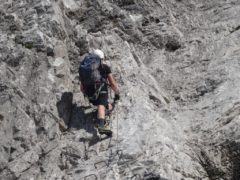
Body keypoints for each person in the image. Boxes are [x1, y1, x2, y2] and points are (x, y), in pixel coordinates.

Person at [80, 49, 120, 133]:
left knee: (106, 105)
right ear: (101, 59)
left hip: (90, 95)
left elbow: (82, 87)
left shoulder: (86, 68)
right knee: (101, 104)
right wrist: (117, 94)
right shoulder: (105, 67)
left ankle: (105, 108)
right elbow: (112, 83)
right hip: (100, 92)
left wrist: (87, 95)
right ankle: (101, 125)